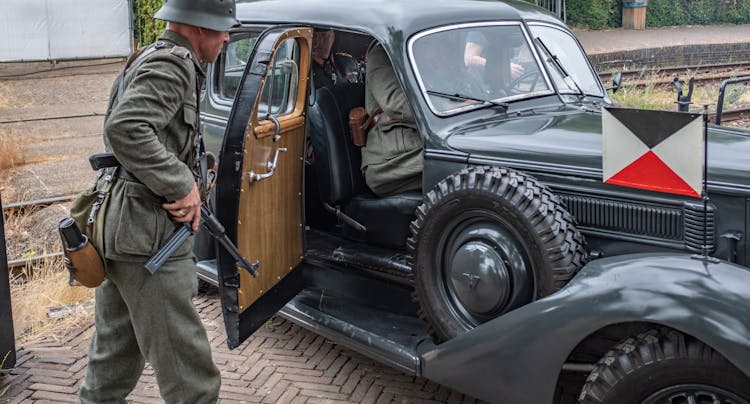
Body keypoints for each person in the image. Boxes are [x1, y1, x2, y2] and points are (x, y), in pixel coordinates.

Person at [77, 1, 237, 403]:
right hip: (150, 242)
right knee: (190, 378)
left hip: (123, 232)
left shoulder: (150, 54)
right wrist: (182, 183)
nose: (226, 37)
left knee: (111, 365)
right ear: (199, 27)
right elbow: (126, 128)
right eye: (221, 28)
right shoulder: (174, 63)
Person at [361, 43, 423, 196]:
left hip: (419, 141)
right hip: (390, 158)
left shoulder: (424, 49)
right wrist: (450, 107)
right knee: (463, 159)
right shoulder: (382, 54)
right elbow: (395, 102)